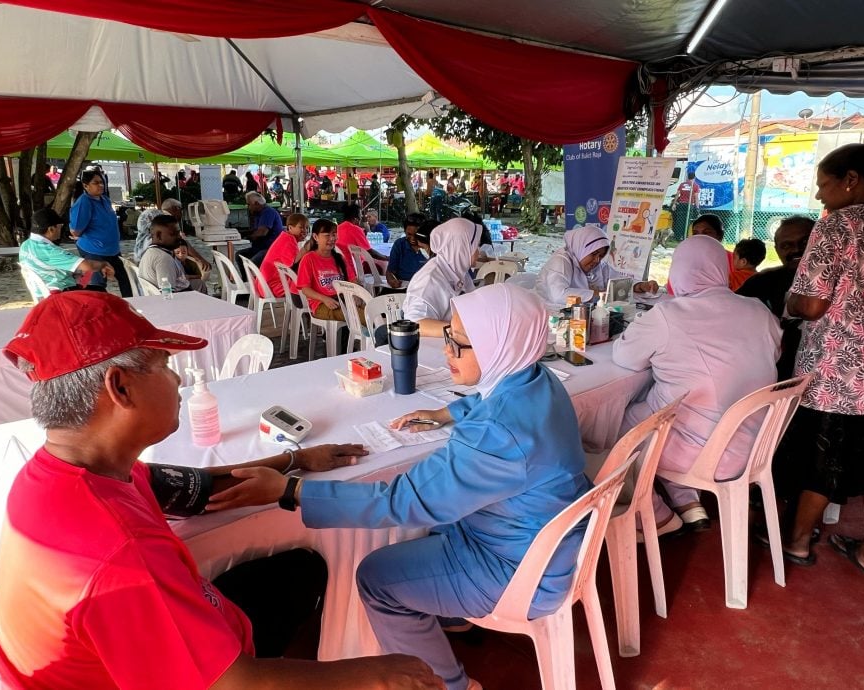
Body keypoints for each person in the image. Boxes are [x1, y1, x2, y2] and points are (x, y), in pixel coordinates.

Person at [0, 290, 443, 690]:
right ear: (121, 388)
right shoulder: (124, 555)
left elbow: (197, 487)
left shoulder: (77, 470)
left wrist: (296, 460)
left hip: (128, 649)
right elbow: (231, 685)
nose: (178, 382)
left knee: (297, 574)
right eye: (164, 366)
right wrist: (375, 675)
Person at [205, 283, 592, 690]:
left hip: (519, 568)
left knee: (377, 578)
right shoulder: (536, 378)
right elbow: (489, 402)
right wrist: (446, 412)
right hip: (543, 537)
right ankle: (452, 615)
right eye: (448, 336)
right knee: (433, 527)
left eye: (460, 344)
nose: (447, 351)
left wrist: (290, 491)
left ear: (501, 346)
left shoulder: (495, 436)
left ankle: (448, 684)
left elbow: (404, 501)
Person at [778, 144, 864, 581]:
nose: (819, 197)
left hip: (837, 374)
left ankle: (797, 542)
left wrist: (790, 301)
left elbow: (812, 305)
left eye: (823, 186)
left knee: (821, 462)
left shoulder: (836, 227)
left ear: (850, 179)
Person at [612, 234, 781, 534]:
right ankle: (688, 502)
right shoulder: (759, 310)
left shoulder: (668, 315)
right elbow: (773, 353)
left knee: (618, 425)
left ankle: (656, 513)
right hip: (756, 445)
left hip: (707, 452)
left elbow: (625, 356)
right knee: (673, 413)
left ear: (679, 270)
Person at [737, 216, 815, 380]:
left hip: (824, 383)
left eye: (804, 242)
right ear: (777, 249)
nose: (796, 250)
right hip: (775, 381)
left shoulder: (842, 281)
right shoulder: (762, 282)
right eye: (786, 245)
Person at [535, 224, 657, 306]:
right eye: (593, 254)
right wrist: (596, 294)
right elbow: (558, 295)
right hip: (548, 314)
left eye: (601, 255)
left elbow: (617, 281)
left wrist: (640, 286)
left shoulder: (598, 266)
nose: (597, 260)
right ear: (582, 248)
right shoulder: (561, 261)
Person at [403, 217, 481, 337]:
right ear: (461, 248)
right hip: (429, 349)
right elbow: (415, 323)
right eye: (475, 246)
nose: (478, 252)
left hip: (449, 344)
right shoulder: (430, 279)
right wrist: (461, 333)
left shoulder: (459, 273)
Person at [20, 208, 114, 292]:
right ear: (51, 229)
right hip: (61, 295)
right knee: (103, 295)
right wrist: (103, 264)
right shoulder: (49, 251)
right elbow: (87, 266)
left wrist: (88, 272)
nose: (61, 229)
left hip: (47, 291)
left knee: (93, 284)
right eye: (60, 226)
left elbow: (83, 269)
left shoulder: (26, 245)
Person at [69, 169, 132, 296]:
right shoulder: (84, 202)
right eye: (96, 183)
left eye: (101, 182)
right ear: (86, 186)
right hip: (93, 251)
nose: (100, 185)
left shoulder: (105, 200)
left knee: (127, 281)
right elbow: (76, 231)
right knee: (95, 286)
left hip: (112, 250)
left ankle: (131, 307)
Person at [295, 218, 356, 321]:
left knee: (369, 310)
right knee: (357, 316)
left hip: (343, 299)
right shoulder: (308, 259)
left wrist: (357, 295)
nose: (332, 239)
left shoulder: (339, 258)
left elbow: (353, 279)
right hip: (321, 304)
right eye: (327, 235)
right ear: (315, 237)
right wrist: (324, 299)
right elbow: (305, 289)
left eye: (334, 235)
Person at [134, 198, 211, 272]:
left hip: (140, 259)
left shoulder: (149, 213)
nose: (181, 214)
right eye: (181, 211)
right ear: (175, 208)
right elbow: (182, 242)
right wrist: (200, 259)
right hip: (156, 265)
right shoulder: (167, 220)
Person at [138, 214, 205, 293]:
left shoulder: (150, 252)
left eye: (178, 233)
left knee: (199, 284)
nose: (179, 237)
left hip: (158, 297)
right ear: (159, 235)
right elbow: (168, 294)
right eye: (173, 234)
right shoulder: (163, 258)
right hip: (179, 300)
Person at [256, 213, 308, 298]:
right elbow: (294, 267)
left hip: (265, 285)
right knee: (312, 287)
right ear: (290, 227)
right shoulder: (289, 242)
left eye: (306, 228)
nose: (305, 231)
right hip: (273, 287)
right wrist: (307, 248)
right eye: (301, 227)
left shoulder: (285, 237)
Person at [236, 192, 284, 271]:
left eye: (249, 204)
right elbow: (256, 229)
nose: (248, 207)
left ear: (256, 203)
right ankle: (246, 281)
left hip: (270, 248)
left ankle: (254, 281)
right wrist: (241, 233)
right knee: (239, 255)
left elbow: (262, 232)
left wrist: (247, 237)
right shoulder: (259, 213)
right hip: (260, 247)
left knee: (251, 264)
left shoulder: (268, 212)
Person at [386, 213, 429, 288]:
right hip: (403, 287)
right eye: (409, 234)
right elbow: (390, 271)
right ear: (405, 231)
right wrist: (392, 281)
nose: (413, 239)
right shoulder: (399, 245)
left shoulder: (430, 247)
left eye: (416, 235)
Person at [672, 171, 700, 240]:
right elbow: (696, 197)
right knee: (687, 221)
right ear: (694, 178)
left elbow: (677, 194)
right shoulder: (695, 185)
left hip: (681, 204)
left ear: (688, 177)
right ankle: (684, 236)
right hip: (689, 205)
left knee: (679, 220)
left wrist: (674, 203)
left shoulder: (682, 184)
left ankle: (678, 236)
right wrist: (697, 207)